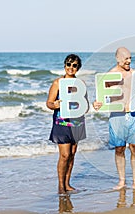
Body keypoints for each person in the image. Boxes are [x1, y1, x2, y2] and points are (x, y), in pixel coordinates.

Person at [93, 47, 135, 192]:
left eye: (130, 58)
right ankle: (122, 181)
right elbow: (100, 97)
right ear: (118, 59)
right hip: (117, 115)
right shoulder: (109, 76)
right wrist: (97, 103)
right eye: (126, 58)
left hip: (134, 114)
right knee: (119, 148)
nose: (129, 61)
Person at [47, 54, 88, 195]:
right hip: (61, 123)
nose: (71, 67)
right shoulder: (58, 83)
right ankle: (60, 186)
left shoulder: (80, 84)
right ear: (64, 65)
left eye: (74, 65)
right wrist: (55, 104)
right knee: (64, 155)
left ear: (78, 68)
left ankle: (67, 184)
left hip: (77, 122)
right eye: (69, 64)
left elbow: (85, 105)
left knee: (72, 154)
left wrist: (91, 106)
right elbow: (49, 103)